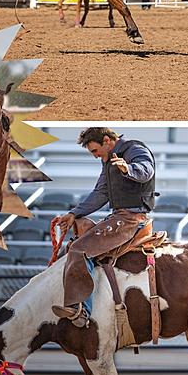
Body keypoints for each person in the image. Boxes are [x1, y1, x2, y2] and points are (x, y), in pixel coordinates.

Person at [53, 127, 157, 327]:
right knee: (72, 247)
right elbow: (100, 193)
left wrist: (128, 169)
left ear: (107, 140)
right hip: (120, 217)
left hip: (131, 220)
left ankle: (80, 310)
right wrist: (75, 213)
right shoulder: (108, 162)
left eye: (94, 151)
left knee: (79, 249)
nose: (95, 156)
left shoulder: (135, 149)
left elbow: (146, 171)